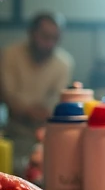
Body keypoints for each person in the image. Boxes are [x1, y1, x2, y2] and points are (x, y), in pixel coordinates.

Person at [0, 13, 74, 172]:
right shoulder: (10, 54)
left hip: (47, 134)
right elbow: (8, 94)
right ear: (31, 33)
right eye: (45, 36)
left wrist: (32, 110)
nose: (49, 43)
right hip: (14, 132)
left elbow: (56, 101)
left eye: (55, 38)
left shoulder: (64, 63)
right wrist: (30, 110)